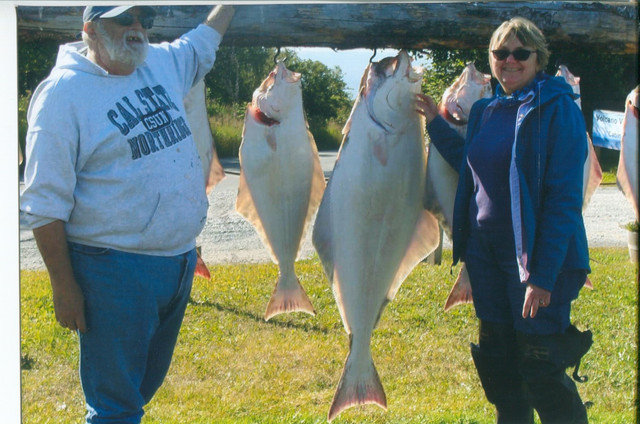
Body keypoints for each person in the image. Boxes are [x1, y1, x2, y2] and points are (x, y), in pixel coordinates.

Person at [20, 4, 234, 423]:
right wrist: (63, 285)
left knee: (138, 389)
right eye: (124, 20)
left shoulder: (159, 63)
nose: (137, 29)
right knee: (116, 404)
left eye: (143, 20)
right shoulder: (62, 95)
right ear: (90, 30)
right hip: (111, 271)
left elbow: (203, 40)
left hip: (178, 262)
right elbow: (44, 203)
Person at [416, 17, 592, 424]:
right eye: (501, 53)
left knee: (541, 369)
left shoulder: (558, 109)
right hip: (486, 260)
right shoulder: (485, 110)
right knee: (499, 367)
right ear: (491, 58)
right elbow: (472, 164)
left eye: (520, 53)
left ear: (538, 58)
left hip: (532, 263)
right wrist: (435, 125)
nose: (509, 61)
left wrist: (543, 276)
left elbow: (563, 201)